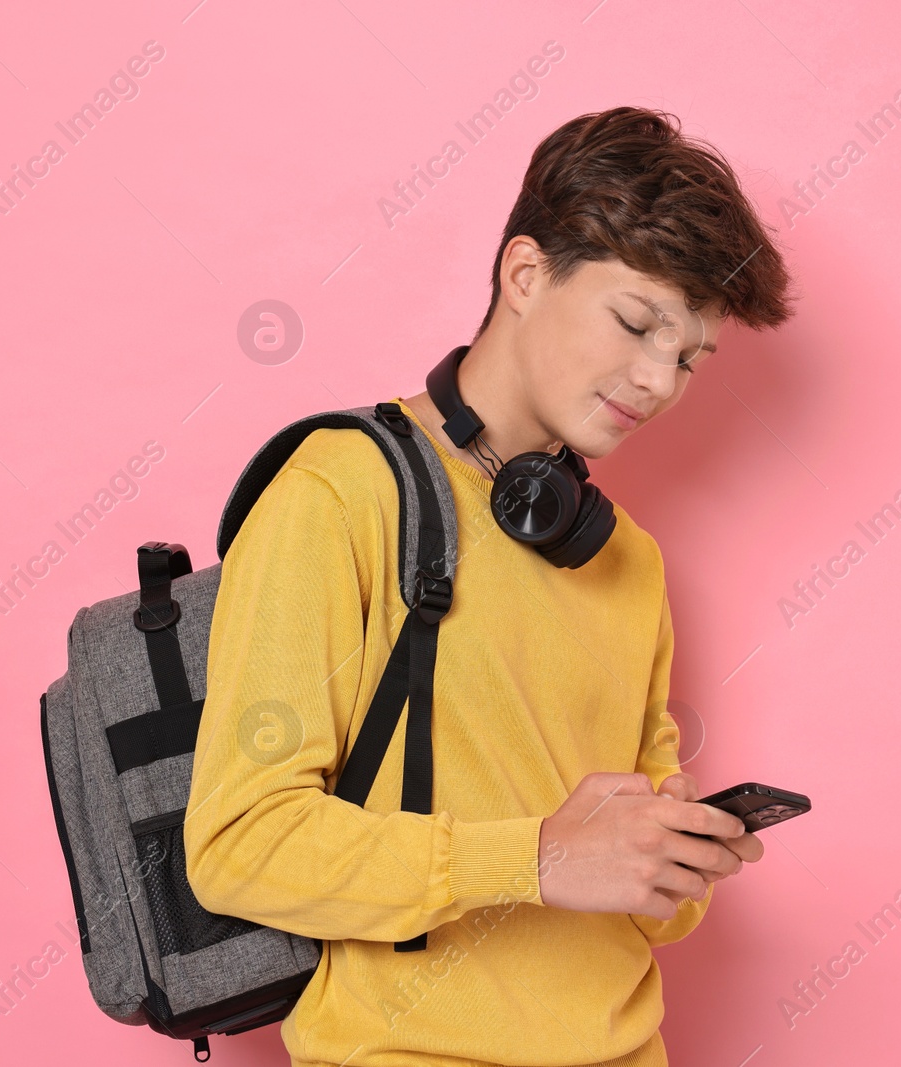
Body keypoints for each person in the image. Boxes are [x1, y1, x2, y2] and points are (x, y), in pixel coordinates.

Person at [183, 105, 796, 1067]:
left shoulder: (629, 559)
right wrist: (540, 858)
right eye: (637, 324)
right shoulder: (337, 494)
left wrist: (673, 860)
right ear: (523, 274)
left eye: (687, 357)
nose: (657, 379)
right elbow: (239, 844)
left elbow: (648, 910)